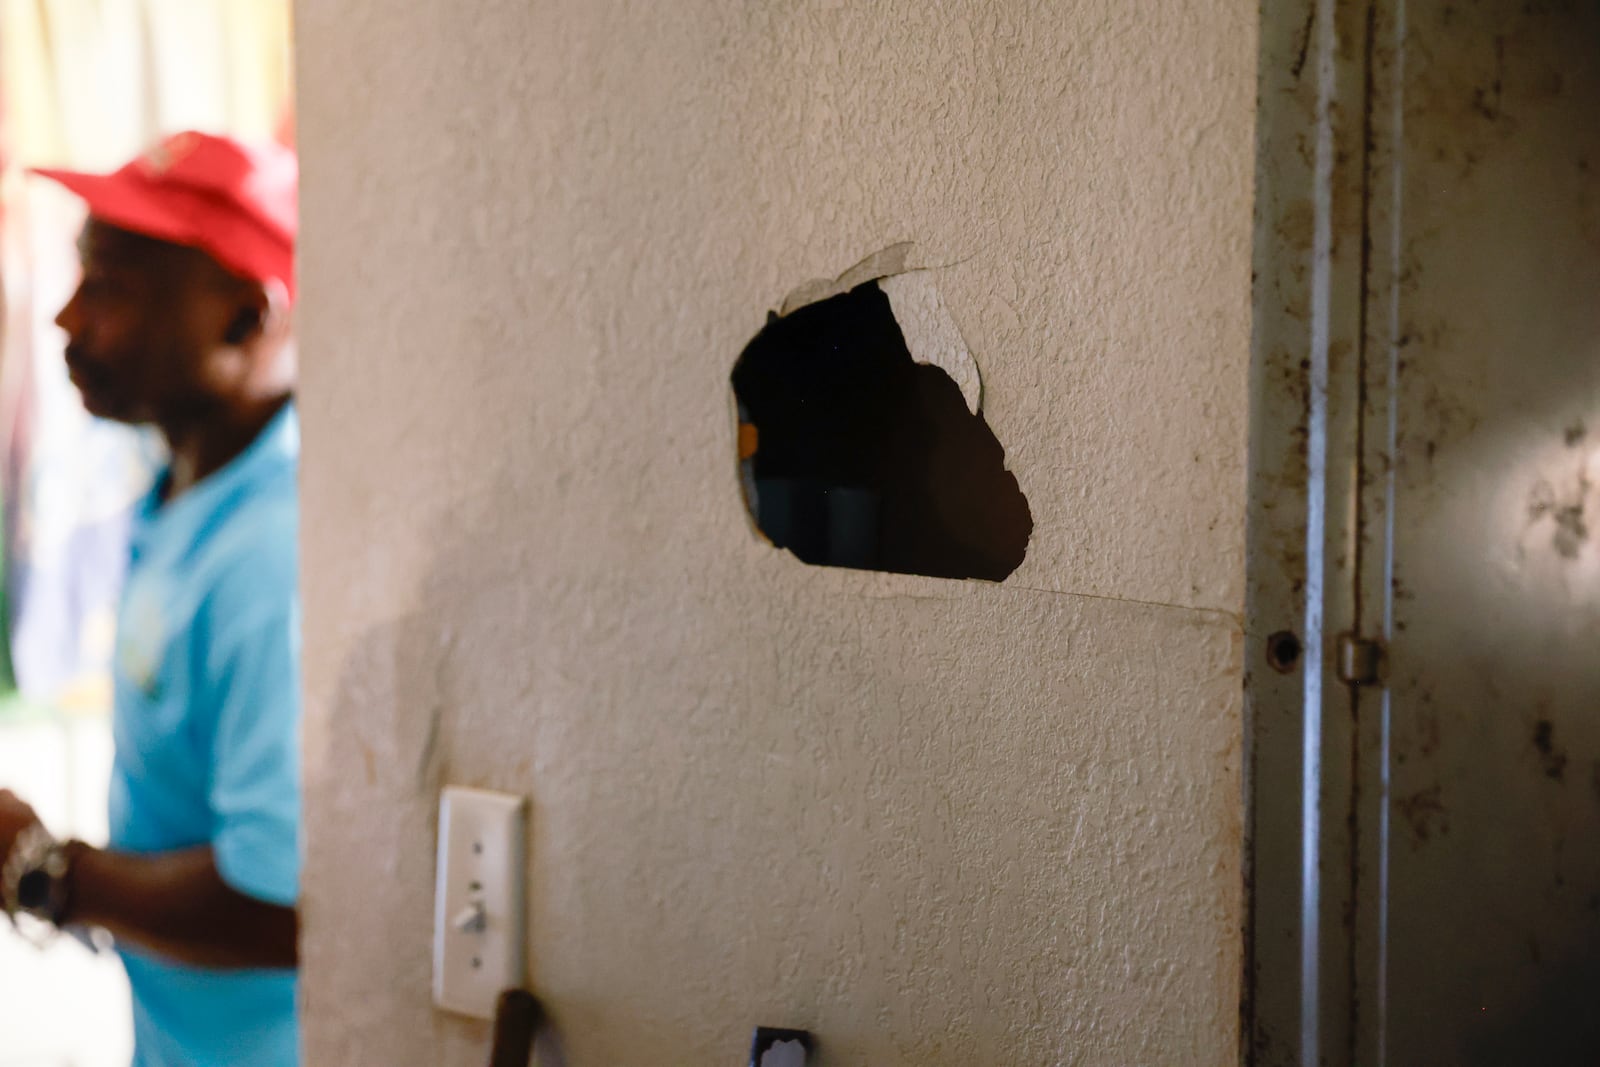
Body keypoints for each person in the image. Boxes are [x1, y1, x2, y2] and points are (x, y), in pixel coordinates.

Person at [0, 131, 301, 1067]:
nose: (64, 318)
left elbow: (282, 905)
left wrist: (47, 870)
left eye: (113, 288)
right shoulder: (184, 491)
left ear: (244, 319)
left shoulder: (274, 559)